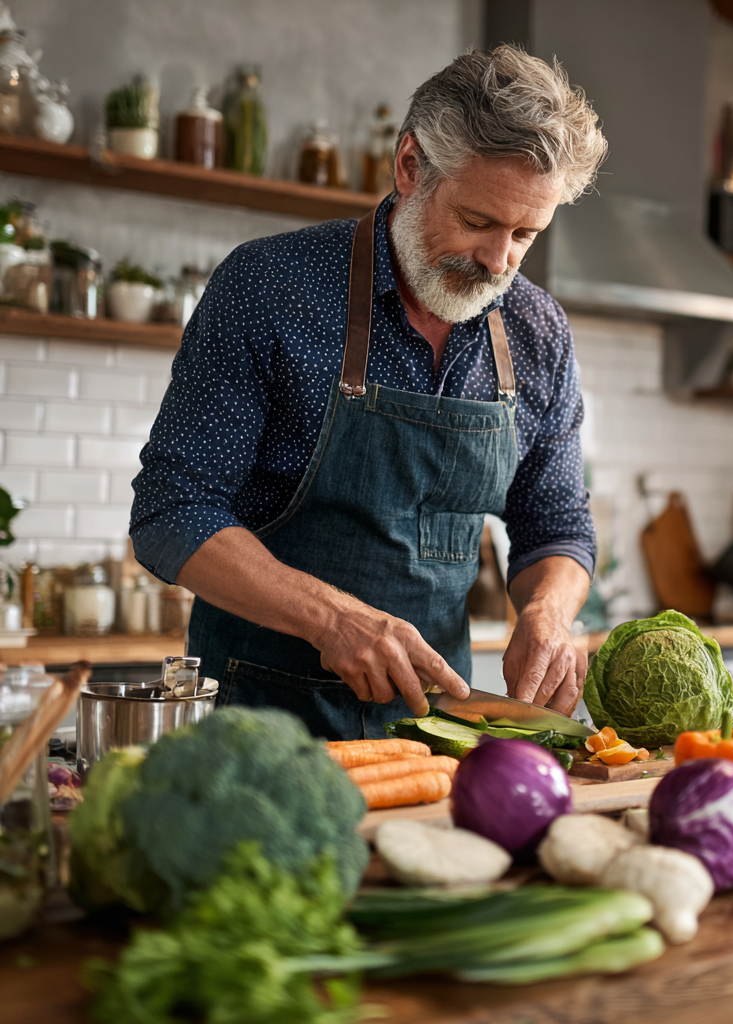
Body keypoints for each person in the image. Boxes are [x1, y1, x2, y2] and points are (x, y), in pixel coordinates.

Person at [130, 45, 607, 740]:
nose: (500, 260)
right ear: (411, 166)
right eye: (478, 222)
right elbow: (171, 511)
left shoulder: (538, 332)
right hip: (257, 723)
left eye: (526, 234)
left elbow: (556, 524)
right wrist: (330, 618)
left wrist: (548, 614)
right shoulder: (269, 286)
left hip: (437, 731)